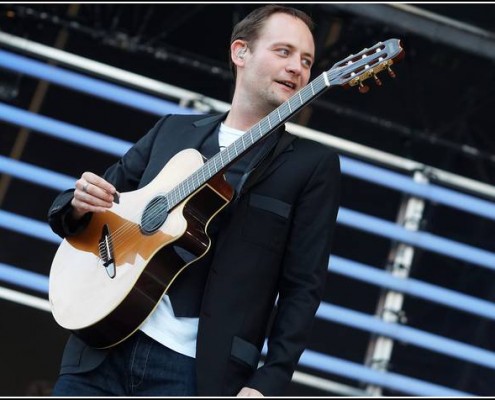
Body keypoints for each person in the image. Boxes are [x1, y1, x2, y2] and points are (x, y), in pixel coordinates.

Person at [47, 4, 341, 397]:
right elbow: (92, 205)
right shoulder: (173, 129)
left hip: (194, 375)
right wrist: (79, 203)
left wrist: (269, 380)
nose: (297, 68)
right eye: (284, 52)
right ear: (241, 52)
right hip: (100, 349)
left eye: (306, 60)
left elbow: (303, 287)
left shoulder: (312, 165)